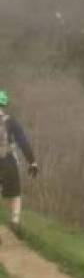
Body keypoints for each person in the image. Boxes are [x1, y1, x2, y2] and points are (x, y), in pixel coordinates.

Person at [0, 90, 39, 238]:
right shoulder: (11, 121)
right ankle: (15, 220)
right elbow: (23, 142)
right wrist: (32, 162)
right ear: (4, 104)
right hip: (8, 161)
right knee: (15, 195)